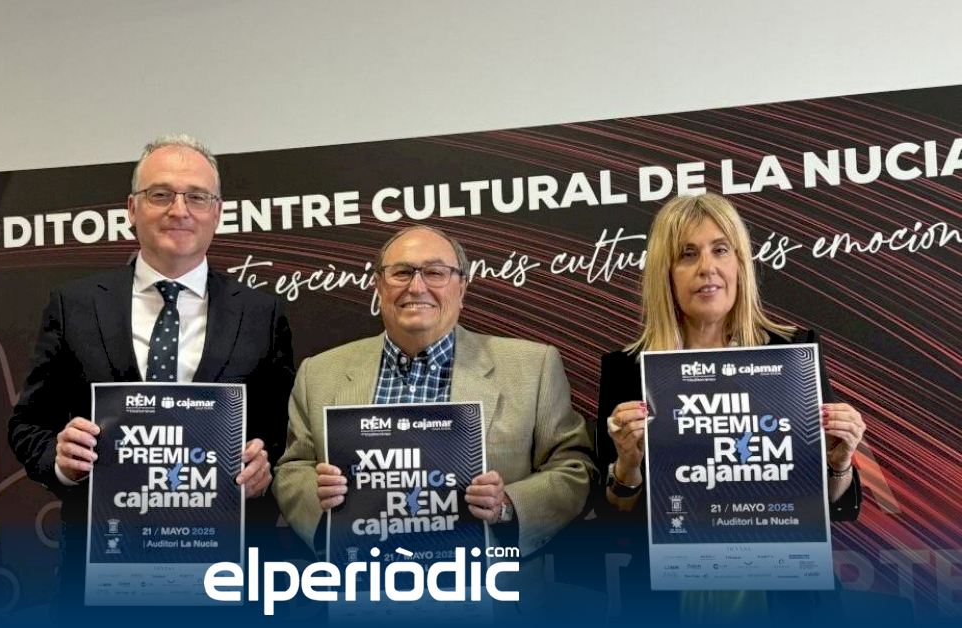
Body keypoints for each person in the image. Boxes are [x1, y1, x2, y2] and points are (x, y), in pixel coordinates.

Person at [6, 134, 295, 608]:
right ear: (131, 208)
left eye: (196, 196)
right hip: (102, 571)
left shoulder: (262, 314)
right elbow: (27, 424)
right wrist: (60, 459)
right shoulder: (75, 305)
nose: (179, 210)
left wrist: (266, 466)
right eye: (161, 194)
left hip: (226, 575)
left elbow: (283, 434)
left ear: (217, 212)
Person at [595, 193, 866, 620]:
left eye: (721, 249)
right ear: (665, 273)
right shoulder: (627, 370)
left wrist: (839, 461)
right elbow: (614, 522)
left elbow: (834, 507)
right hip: (666, 603)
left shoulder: (792, 353)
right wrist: (628, 465)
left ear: (739, 263)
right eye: (687, 254)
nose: (707, 267)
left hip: (789, 602)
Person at [274, 225, 594, 563]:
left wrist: (507, 505)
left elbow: (574, 467)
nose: (416, 287)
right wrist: (321, 502)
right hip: (361, 581)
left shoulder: (533, 367)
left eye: (435, 273)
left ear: (462, 287)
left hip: (495, 585)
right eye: (401, 273)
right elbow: (294, 467)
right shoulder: (319, 374)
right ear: (378, 286)